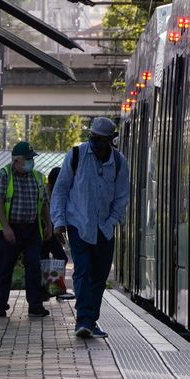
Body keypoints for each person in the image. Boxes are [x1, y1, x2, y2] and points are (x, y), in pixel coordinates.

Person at [50, 116, 129, 340]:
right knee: (82, 271)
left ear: (110, 140)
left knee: (99, 276)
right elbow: (61, 190)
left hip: (104, 228)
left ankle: (91, 320)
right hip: (79, 224)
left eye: (100, 140)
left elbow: (122, 196)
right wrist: (59, 221)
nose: (96, 144)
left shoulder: (119, 162)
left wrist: (111, 221)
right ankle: (83, 320)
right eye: (93, 138)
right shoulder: (76, 155)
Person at [0, 141, 50, 319]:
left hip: (31, 229)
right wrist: (6, 228)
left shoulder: (37, 177)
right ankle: (0, 306)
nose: (31, 162)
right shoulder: (4, 175)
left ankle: (35, 305)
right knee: (5, 268)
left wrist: (48, 224)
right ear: (17, 160)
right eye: (28, 159)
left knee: (33, 266)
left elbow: (44, 204)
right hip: (9, 229)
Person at [43, 167, 71, 302]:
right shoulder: (48, 192)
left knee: (46, 260)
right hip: (46, 231)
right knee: (60, 258)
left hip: (49, 230)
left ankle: (50, 290)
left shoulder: (53, 191)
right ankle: (53, 289)